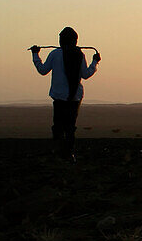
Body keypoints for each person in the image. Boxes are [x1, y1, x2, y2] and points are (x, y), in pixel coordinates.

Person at [30, 27, 100, 162]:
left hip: (59, 97)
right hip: (75, 98)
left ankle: (59, 153)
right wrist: (95, 62)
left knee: (58, 126)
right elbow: (85, 75)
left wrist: (35, 55)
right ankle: (69, 154)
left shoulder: (55, 54)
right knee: (70, 127)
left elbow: (43, 70)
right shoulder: (79, 54)